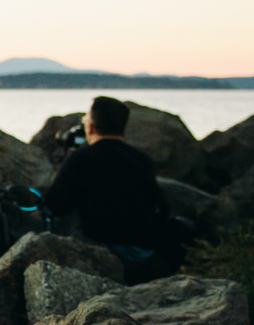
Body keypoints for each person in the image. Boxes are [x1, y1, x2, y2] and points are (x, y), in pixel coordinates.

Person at [43, 95, 181, 284]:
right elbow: (163, 208)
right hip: (143, 251)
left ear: (90, 127)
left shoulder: (82, 158)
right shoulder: (142, 159)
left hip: (104, 252)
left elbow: (54, 205)